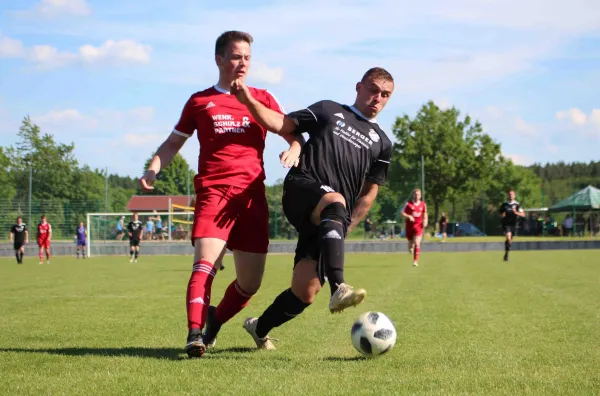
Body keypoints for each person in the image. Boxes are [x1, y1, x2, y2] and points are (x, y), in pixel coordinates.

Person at [138, 30, 303, 358]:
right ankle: (194, 333)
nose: (243, 63)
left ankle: (214, 322)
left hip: (252, 198)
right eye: (236, 56)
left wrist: (295, 149)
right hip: (215, 194)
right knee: (204, 264)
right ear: (219, 59)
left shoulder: (263, 97)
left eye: (247, 57)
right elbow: (173, 143)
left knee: (250, 283)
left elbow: (293, 134)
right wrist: (153, 167)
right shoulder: (200, 101)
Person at [229, 66, 394, 350]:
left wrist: (344, 228)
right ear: (359, 87)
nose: (378, 98)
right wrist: (248, 102)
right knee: (336, 200)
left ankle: (260, 327)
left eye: (385, 94)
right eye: (373, 90)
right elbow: (283, 124)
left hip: (331, 216)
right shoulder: (329, 110)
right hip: (303, 187)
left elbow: (369, 193)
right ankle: (339, 287)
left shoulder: (383, 143)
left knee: (304, 292)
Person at [402, 189, 428, 267]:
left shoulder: (423, 204)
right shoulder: (408, 204)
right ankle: (410, 248)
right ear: (413, 195)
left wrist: (425, 221)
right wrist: (409, 216)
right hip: (409, 226)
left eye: (418, 194)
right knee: (410, 243)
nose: (417, 196)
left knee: (417, 243)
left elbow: (425, 213)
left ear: (420, 196)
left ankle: (415, 261)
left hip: (419, 226)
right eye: (415, 194)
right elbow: (402, 213)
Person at [499, 189, 525, 261]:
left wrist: (516, 212)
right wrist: (502, 215)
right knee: (508, 237)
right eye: (509, 194)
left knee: (510, 241)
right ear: (508, 195)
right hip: (506, 224)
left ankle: (507, 253)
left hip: (513, 224)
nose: (511, 195)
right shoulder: (504, 204)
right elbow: (500, 214)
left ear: (514, 195)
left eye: (512, 194)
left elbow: (523, 214)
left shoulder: (517, 204)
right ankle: (507, 254)